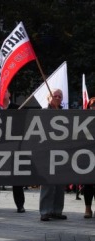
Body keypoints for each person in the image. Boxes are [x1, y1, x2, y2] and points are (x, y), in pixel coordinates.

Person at [0, 89, 26, 213]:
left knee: (16, 176)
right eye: (0, 92)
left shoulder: (18, 108)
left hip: (14, 147)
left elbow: (23, 126)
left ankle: (20, 204)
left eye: (6, 91)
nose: (3, 94)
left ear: (10, 94)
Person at [39, 89, 67, 221]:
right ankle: (45, 211)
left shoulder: (66, 114)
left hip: (62, 153)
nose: (57, 98)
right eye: (54, 96)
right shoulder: (43, 113)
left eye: (59, 96)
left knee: (60, 183)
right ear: (48, 98)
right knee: (48, 183)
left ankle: (57, 211)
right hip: (46, 152)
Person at [82, 97, 95, 219]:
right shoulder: (83, 120)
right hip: (87, 154)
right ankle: (88, 208)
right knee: (88, 183)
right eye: (93, 105)